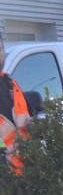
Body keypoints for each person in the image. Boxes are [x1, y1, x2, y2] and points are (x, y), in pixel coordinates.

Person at [1, 39, 31, 175]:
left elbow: (26, 117)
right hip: (5, 175)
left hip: (26, 171)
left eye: (0, 49)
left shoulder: (11, 84)